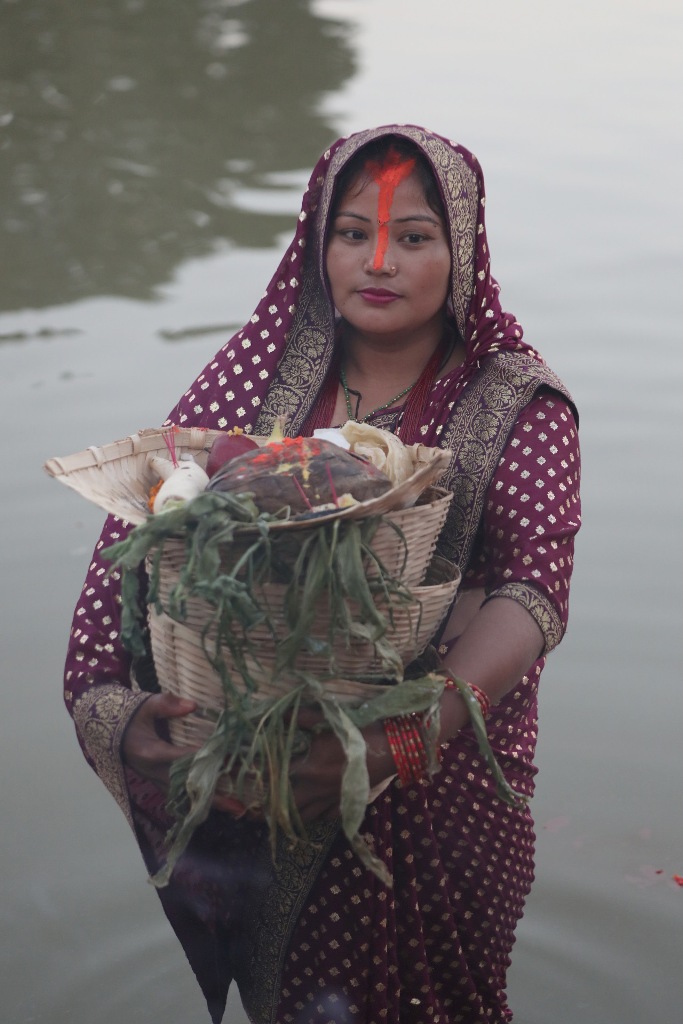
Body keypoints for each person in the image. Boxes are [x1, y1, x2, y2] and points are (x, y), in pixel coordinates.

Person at [64, 124, 581, 1024]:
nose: (376, 261)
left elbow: (533, 594)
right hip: (256, 773)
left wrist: (399, 743)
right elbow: (145, 534)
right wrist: (115, 706)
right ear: (317, 242)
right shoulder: (259, 378)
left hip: (437, 780)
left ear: (462, 252)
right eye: (351, 233)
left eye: (413, 237)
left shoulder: (513, 401)